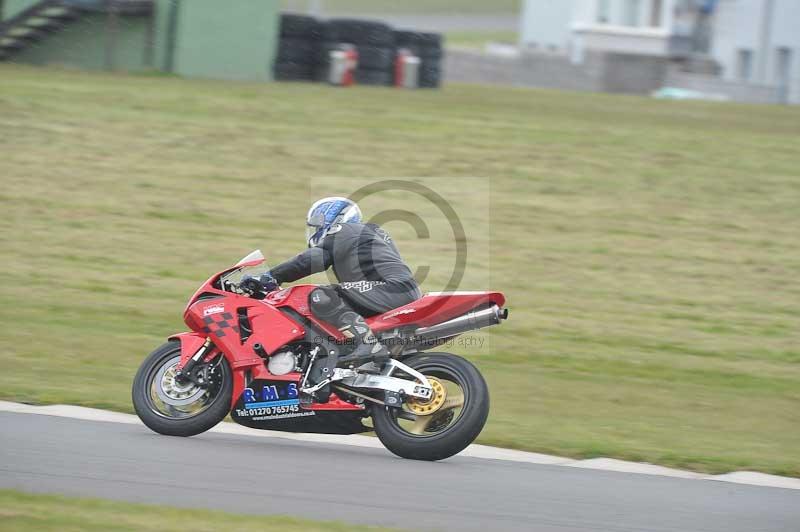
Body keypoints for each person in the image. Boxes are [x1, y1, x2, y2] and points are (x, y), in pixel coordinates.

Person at [246, 197, 421, 366]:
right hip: (396, 291)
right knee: (338, 302)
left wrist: (271, 276)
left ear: (336, 219)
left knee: (321, 296)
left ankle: (368, 345)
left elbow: (312, 260)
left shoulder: (347, 231)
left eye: (318, 226)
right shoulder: (369, 234)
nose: (316, 231)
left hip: (390, 289)